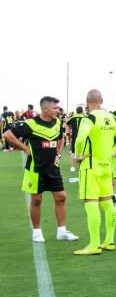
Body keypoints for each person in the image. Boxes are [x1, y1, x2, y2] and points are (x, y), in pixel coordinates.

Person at [3, 96, 78, 244]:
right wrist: (24, 148)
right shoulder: (30, 124)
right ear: (45, 108)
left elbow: (61, 138)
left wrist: (58, 153)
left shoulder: (57, 122)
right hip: (35, 168)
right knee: (36, 199)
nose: (58, 111)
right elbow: (7, 135)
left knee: (61, 197)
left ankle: (62, 231)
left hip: (53, 168)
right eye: (55, 108)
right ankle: (37, 232)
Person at [72, 89, 116, 255]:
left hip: (90, 166)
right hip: (106, 166)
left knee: (91, 203)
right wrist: (112, 152)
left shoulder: (88, 119)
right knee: (107, 202)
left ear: (86, 102)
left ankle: (94, 244)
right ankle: (109, 241)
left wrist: (78, 155)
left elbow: (80, 138)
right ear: (101, 100)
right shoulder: (110, 117)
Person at [65, 106, 86, 171]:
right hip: (83, 137)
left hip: (74, 137)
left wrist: (68, 131)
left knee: (73, 152)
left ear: (76, 111)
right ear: (82, 111)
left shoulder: (72, 118)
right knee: (84, 151)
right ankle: (82, 166)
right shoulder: (85, 118)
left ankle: (73, 167)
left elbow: (66, 124)